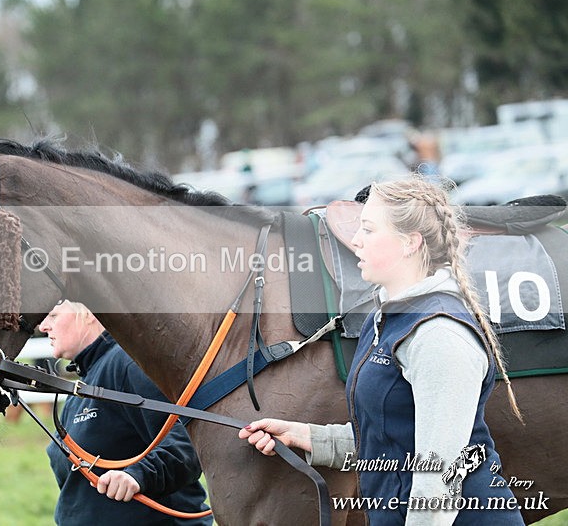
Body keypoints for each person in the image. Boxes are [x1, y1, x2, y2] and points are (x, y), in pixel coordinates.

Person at [239, 176, 524, 525]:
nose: (355, 240)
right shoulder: (386, 316)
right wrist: (306, 436)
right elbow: (391, 443)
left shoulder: (439, 335)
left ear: (410, 242)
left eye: (369, 230)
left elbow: (437, 483)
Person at [39, 300, 212, 525]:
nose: (43, 326)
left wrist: (137, 475)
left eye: (53, 315)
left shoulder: (129, 365)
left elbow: (188, 441)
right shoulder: (82, 387)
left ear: (89, 313)